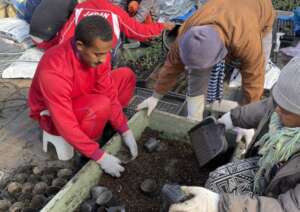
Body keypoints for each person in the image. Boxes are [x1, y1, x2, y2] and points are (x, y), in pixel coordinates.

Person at [169, 56, 300, 212]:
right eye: (279, 102)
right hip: (267, 169)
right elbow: (268, 106)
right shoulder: (285, 104)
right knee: (217, 180)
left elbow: (287, 208)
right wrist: (234, 118)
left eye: (286, 111)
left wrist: (220, 204)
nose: (277, 111)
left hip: (283, 201)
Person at [28, 15, 137, 178]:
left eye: (106, 53)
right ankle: (87, 152)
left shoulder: (97, 56)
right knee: (100, 105)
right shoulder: (53, 70)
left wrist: (124, 129)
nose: (104, 59)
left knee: (125, 76)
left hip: (82, 95)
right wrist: (99, 156)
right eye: (99, 54)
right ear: (80, 46)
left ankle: (105, 124)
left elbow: (109, 91)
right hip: (53, 116)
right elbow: (64, 122)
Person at [137, 0, 275, 121]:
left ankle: (240, 113)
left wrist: (247, 119)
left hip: (259, 12)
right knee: (198, 73)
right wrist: (155, 96)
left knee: (258, 69)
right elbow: (172, 66)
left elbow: (254, 77)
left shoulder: (247, 39)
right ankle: (195, 116)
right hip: (224, 11)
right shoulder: (186, 32)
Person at [30, 0, 175, 50]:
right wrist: (161, 27)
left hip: (72, 50)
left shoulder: (81, 8)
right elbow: (138, 31)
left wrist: (57, 52)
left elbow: (65, 35)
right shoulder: (115, 12)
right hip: (100, 53)